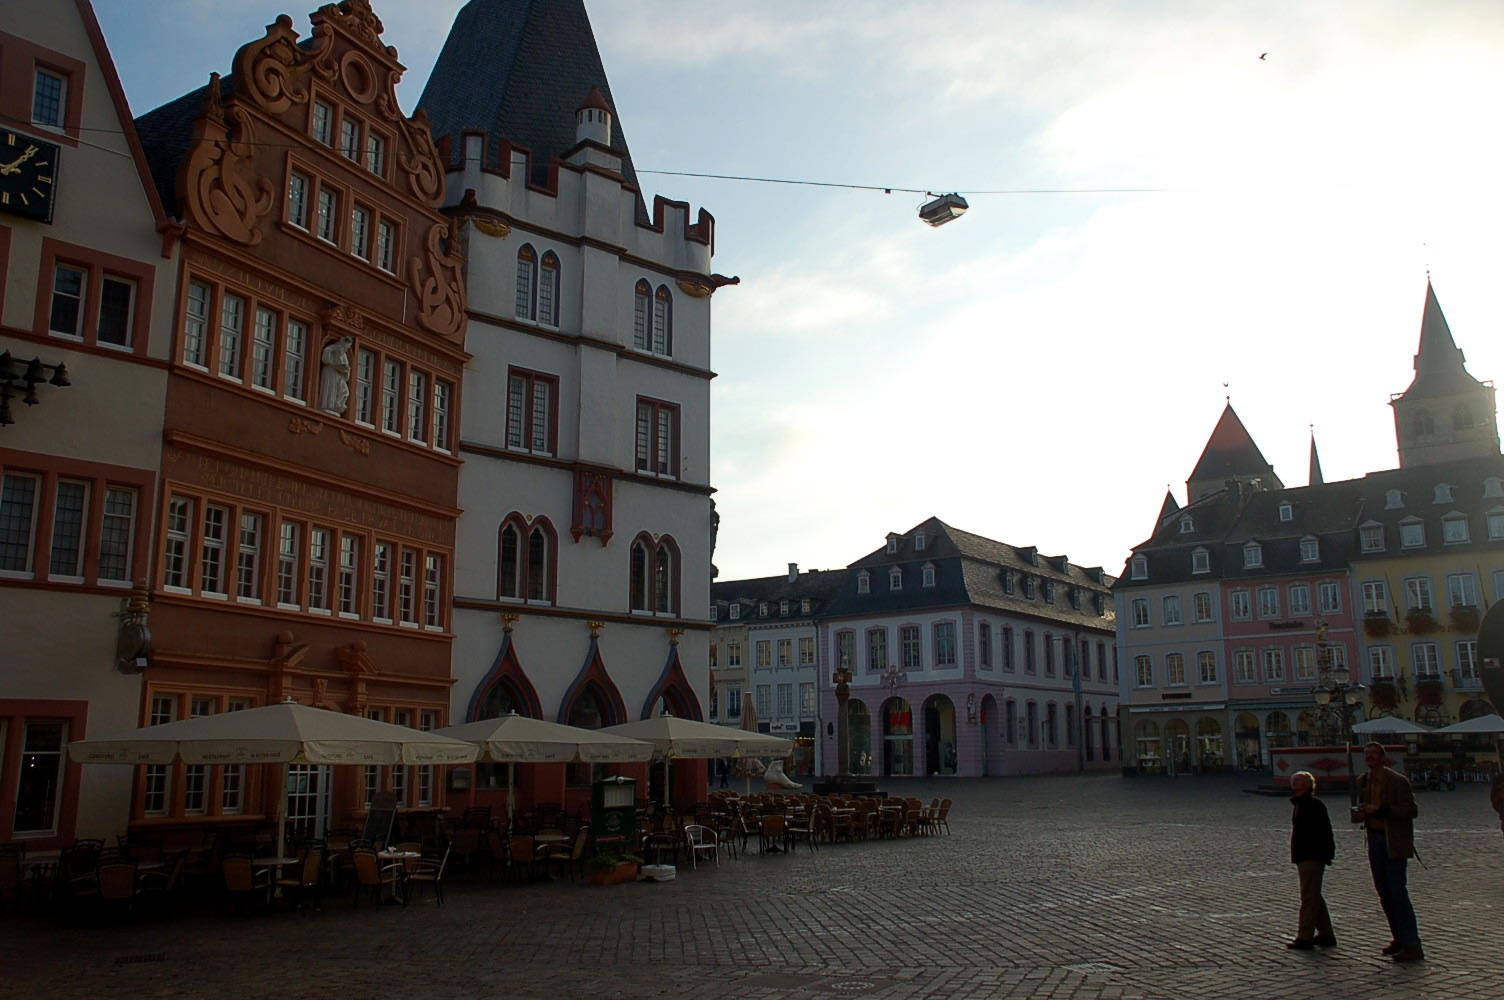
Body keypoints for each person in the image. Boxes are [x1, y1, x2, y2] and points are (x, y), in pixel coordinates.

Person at [1354, 741, 1423, 962]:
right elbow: (1363, 805)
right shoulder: (1363, 780)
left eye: (1374, 753)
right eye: (1367, 754)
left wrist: (1381, 810)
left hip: (1393, 840)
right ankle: (1399, 938)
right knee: (1383, 892)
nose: (1369, 757)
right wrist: (1362, 813)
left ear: (1383, 757)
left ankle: (1412, 944)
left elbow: (1411, 810)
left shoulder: (1397, 781)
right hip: (1374, 837)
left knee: (1397, 892)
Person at [1286, 770, 1336, 950]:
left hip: (1312, 854)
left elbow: (1325, 830)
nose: (1295, 782)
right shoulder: (1300, 803)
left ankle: (1304, 937)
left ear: (1309, 784)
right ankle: (1326, 934)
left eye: (1299, 779)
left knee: (1308, 896)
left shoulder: (1314, 805)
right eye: (1293, 779)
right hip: (1304, 854)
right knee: (1313, 894)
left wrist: (1327, 853)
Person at [317, 335, 353, 415]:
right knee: (329, 388)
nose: (346, 349)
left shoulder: (344, 355)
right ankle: (327, 406)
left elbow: (346, 366)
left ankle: (337, 405)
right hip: (330, 372)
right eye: (346, 347)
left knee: (345, 391)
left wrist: (346, 370)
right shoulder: (331, 349)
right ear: (342, 343)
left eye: (347, 348)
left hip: (339, 375)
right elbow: (325, 359)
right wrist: (335, 364)